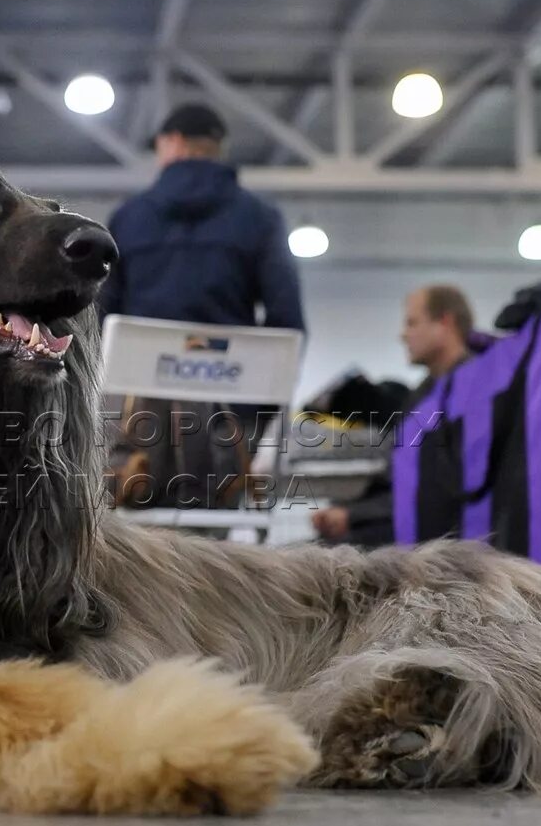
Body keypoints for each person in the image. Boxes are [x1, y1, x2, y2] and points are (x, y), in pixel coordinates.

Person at [100, 102, 304, 332]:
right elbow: (287, 317)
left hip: (140, 361)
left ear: (174, 141)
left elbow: (104, 310)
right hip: (231, 363)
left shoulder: (127, 217)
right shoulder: (262, 217)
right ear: (219, 148)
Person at [311, 285, 479, 546]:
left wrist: (355, 516)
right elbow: (402, 478)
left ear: (445, 322)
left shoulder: (476, 392)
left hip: (448, 545)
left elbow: (438, 489)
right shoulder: (422, 397)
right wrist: (349, 512)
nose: (403, 335)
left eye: (412, 323)